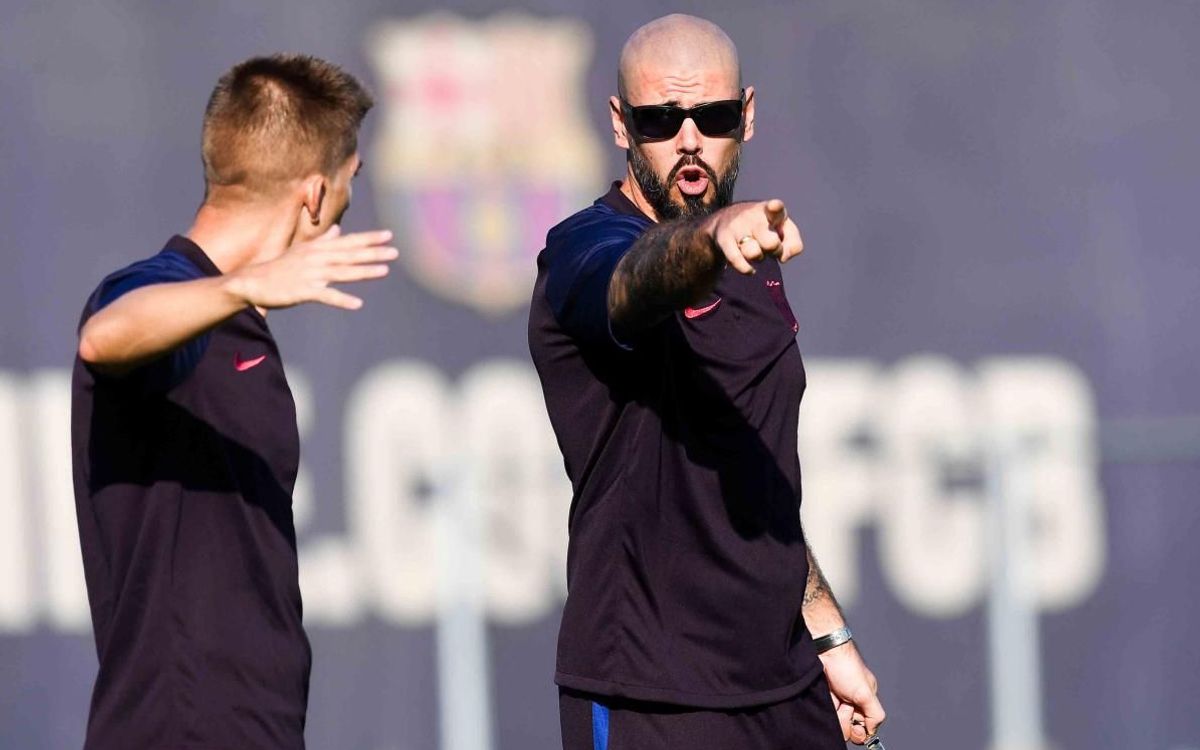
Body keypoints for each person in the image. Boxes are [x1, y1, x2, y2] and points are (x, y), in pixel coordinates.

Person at [528, 15, 887, 749]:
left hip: (782, 685)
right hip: (649, 698)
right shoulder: (586, 249)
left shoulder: (751, 250)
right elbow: (630, 286)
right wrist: (709, 241)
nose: (689, 139)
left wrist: (828, 636)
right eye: (662, 120)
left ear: (746, 117)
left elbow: (752, 469)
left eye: (713, 116)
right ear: (622, 125)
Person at [70, 54, 396, 750]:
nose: (344, 208)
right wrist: (239, 288)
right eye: (348, 186)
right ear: (313, 194)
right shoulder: (169, 290)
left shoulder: (227, 322)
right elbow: (104, 337)